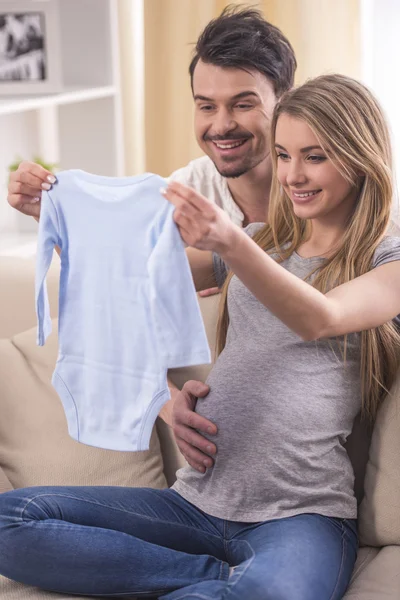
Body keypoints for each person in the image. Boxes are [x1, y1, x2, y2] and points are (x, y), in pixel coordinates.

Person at [1, 72, 400, 600]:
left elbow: (321, 316)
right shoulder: (262, 244)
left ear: (359, 155)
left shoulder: (385, 260)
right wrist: (57, 212)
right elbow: (129, 277)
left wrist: (232, 242)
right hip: (193, 505)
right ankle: (208, 578)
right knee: (12, 520)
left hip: (300, 518)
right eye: (283, 155)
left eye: (315, 156)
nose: (293, 174)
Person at [5, 6, 297, 474]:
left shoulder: (320, 187)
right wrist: (165, 399)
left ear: (285, 101)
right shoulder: (181, 192)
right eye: (206, 105)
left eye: (243, 104)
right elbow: (111, 294)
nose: (220, 125)